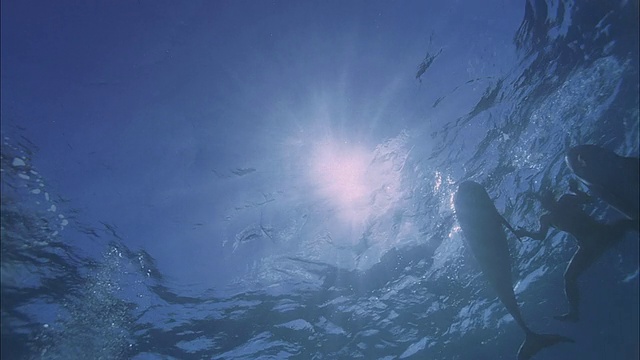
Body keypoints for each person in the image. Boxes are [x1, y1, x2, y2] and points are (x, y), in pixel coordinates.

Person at [514, 179, 638, 322]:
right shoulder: (546, 218)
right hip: (588, 246)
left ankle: (574, 313)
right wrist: (525, 233)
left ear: (552, 197)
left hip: (602, 234)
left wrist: (576, 190)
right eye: (543, 201)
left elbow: (590, 200)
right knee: (568, 278)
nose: (546, 203)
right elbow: (541, 236)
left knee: (628, 223)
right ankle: (574, 313)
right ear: (543, 203)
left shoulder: (566, 200)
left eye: (547, 199)